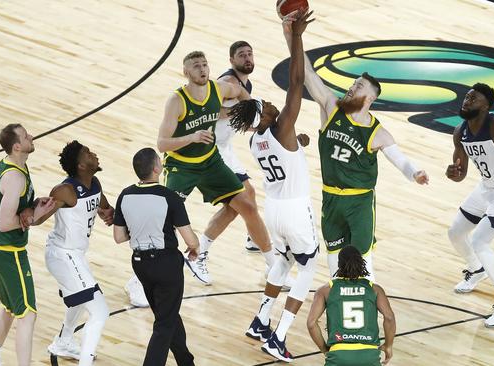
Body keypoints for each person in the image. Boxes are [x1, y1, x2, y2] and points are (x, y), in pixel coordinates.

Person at [285, 21, 428, 281]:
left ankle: (367, 311)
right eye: (353, 83)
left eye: (359, 86)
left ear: (370, 98)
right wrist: (292, 35)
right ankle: (337, 313)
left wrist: (415, 173)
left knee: (363, 264)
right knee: (334, 265)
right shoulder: (331, 107)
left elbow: (400, 160)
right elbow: (306, 73)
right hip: (331, 198)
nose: (352, 87)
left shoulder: (377, 132)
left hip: (360, 202)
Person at [227, 11, 315, 362]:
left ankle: (260, 320)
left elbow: (287, 150)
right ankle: (277, 336)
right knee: (308, 267)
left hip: (274, 210)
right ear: (263, 116)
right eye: (266, 105)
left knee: (284, 260)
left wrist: (300, 141)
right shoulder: (280, 126)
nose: (273, 103)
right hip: (294, 208)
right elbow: (297, 83)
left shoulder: (255, 140)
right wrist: (296, 37)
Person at [157, 50, 276, 284]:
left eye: (204, 64)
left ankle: (274, 268)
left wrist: (247, 107)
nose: (202, 69)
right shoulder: (176, 101)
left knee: (247, 206)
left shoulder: (218, 89)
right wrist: (191, 137)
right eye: (196, 66)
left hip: (211, 161)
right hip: (182, 166)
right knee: (164, 221)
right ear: (186, 72)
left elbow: (241, 94)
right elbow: (161, 144)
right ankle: (140, 280)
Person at [445, 83, 494, 327]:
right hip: (486, 188)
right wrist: (453, 172)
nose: (467, 100)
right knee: (455, 232)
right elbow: (460, 173)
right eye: (467, 96)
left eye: (474, 98)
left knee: (480, 240)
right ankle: (476, 268)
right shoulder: (460, 132)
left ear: (486, 106)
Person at [113, 147, 199, 365]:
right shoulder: (169, 197)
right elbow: (190, 239)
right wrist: (195, 247)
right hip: (167, 264)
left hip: (140, 265)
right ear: (156, 168)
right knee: (164, 323)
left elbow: (119, 237)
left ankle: (186, 361)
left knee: (166, 315)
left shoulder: (125, 194)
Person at [0, 124, 56, 366]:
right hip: (8, 251)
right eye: (26, 136)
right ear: (17, 146)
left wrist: (32, 205)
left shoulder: (15, 164)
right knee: (28, 314)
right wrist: (33, 217)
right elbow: (5, 223)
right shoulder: (14, 177)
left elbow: (12, 208)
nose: (31, 136)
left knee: (10, 308)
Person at [41, 141, 114, 364]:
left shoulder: (95, 183)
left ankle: (63, 341)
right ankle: (84, 360)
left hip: (76, 254)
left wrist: (108, 214)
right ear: (81, 165)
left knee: (80, 299)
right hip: (62, 255)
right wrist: (29, 211)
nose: (93, 153)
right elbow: (39, 218)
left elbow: (104, 207)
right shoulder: (66, 190)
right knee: (100, 312)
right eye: (87, 153)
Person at [307, 246, 396, 366]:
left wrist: (325, 350)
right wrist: (388, 345)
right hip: (369, 355)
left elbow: (311, 323)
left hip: (339, 354)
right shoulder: (374, 289)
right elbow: (389, 318)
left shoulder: (325, 290)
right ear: (361, 263)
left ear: (339, 264)